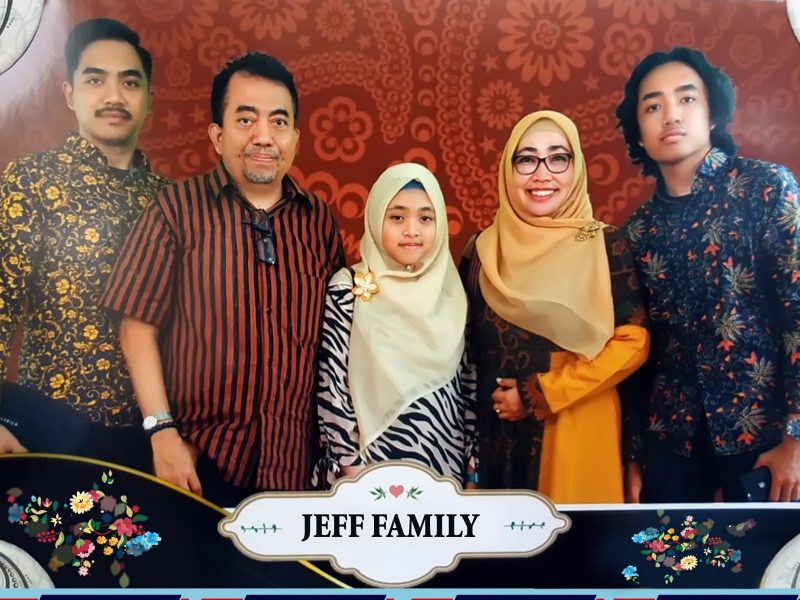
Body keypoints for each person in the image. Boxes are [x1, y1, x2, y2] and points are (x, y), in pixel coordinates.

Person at [101, 52, 345, 506]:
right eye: (246, 120)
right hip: (197, 468)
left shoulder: (319, 222)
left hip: (296, 476)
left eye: (278, 122)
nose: (263, 136)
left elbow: (338, 343)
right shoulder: (176, 210)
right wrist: (161, 431)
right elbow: (136, 326)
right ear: (217, 135)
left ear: (295, 138)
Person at [616, 46, 800, 503]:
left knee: (766, 552)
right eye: (652, 106)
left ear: (713, 113)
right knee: (666, 552)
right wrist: (633, 455)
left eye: (686, 98)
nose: (671, 115)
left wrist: (797, 438)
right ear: (639, 133)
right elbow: (636, 353)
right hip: (671, 445)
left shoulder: (765, 188)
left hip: (766, 438)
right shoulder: (635, 233)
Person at [0, 18, 167, 468]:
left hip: (152, 442)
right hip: (50, 432)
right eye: (95, 80)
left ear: (148, 99)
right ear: (70, 94)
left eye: (130, 82)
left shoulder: (170, 201)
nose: (114, 96)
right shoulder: (33, 181)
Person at [461, 110, 649, 503]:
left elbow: (633, 343)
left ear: (576, 167)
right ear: (508, 169)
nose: (542, 174)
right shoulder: (480, 251)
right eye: (526, 159)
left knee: (573, 539)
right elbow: (465, 356)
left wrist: (540, 394)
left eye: (558, 158)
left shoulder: (604, 244)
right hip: (498, 443)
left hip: (576, 427)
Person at [314, 162, 478, 486]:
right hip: (365, 470)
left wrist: (473, 471)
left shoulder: (452, 294)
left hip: (444, 471)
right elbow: (332, 386)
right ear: (377, 219)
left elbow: (470, 390)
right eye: (397, 217)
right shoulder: (348, 288)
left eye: (425, 218)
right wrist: (352, 471)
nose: (412, 230)